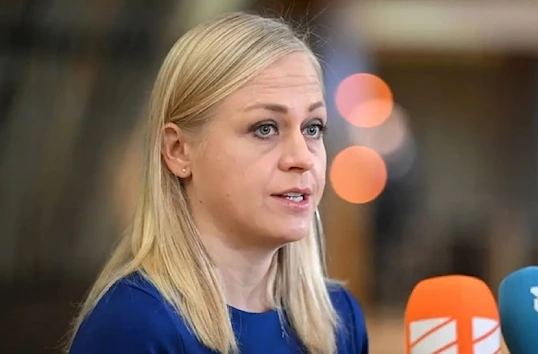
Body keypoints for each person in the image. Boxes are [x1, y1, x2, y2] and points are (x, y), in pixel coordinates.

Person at [67, 11, 369, 354]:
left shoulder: (340, 319)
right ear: (178, 151)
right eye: (265, 128)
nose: (302, 157)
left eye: (312, 128)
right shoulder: (134, 325)